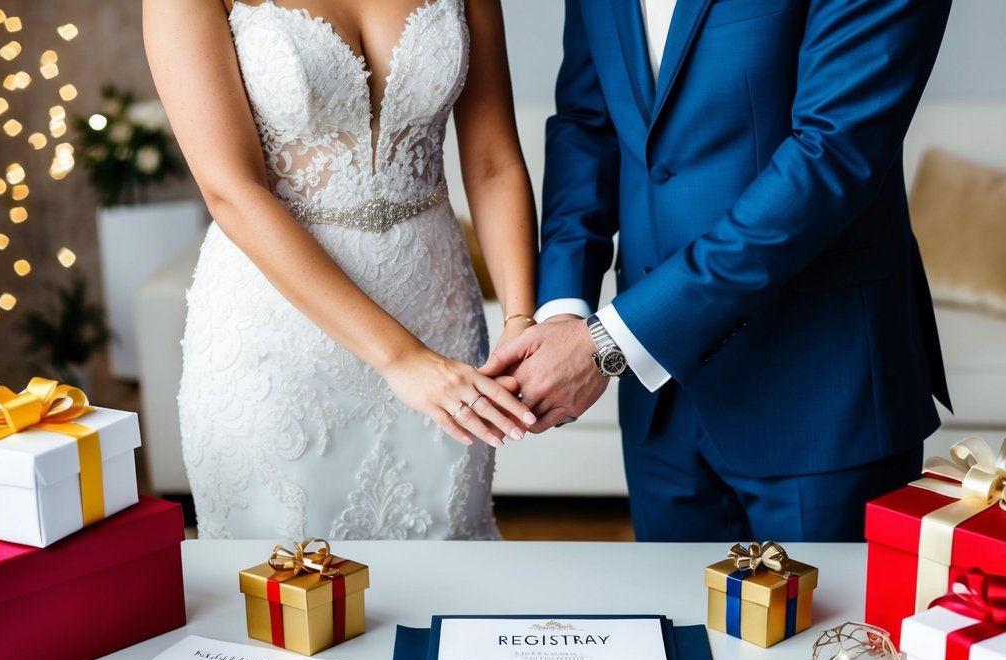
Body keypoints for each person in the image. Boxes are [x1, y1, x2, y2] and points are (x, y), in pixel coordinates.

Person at [482, 0, 954, 543]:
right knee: (675, 625)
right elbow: (587, 124)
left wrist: (612, 340)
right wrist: (564, 307)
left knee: (832, 629)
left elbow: (832, 156)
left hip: (818, 389)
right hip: (659, 408)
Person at [144, 0, 538, 540]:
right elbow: (231, 190)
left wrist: (521, 319)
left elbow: (493, 161)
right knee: (284, 592)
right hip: (279, 341)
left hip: (440, 317)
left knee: (446, 569)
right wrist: (402, 358)